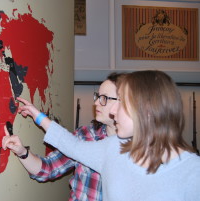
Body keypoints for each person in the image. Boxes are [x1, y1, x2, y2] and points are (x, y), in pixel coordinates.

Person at [12, 70, 200, 201]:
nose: (112, 110)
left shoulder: (193, 171)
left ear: (148, 110)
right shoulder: (111, 148)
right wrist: (37, 118)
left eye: (121, 102)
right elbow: (68, 145)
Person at [2, 73, 123, 201]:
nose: (96, 102)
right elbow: (48, 168)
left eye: (104, 98)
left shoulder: (140, 150)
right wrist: (22, 152)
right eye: (97, 96)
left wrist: (40, 117)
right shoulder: (85, 136)